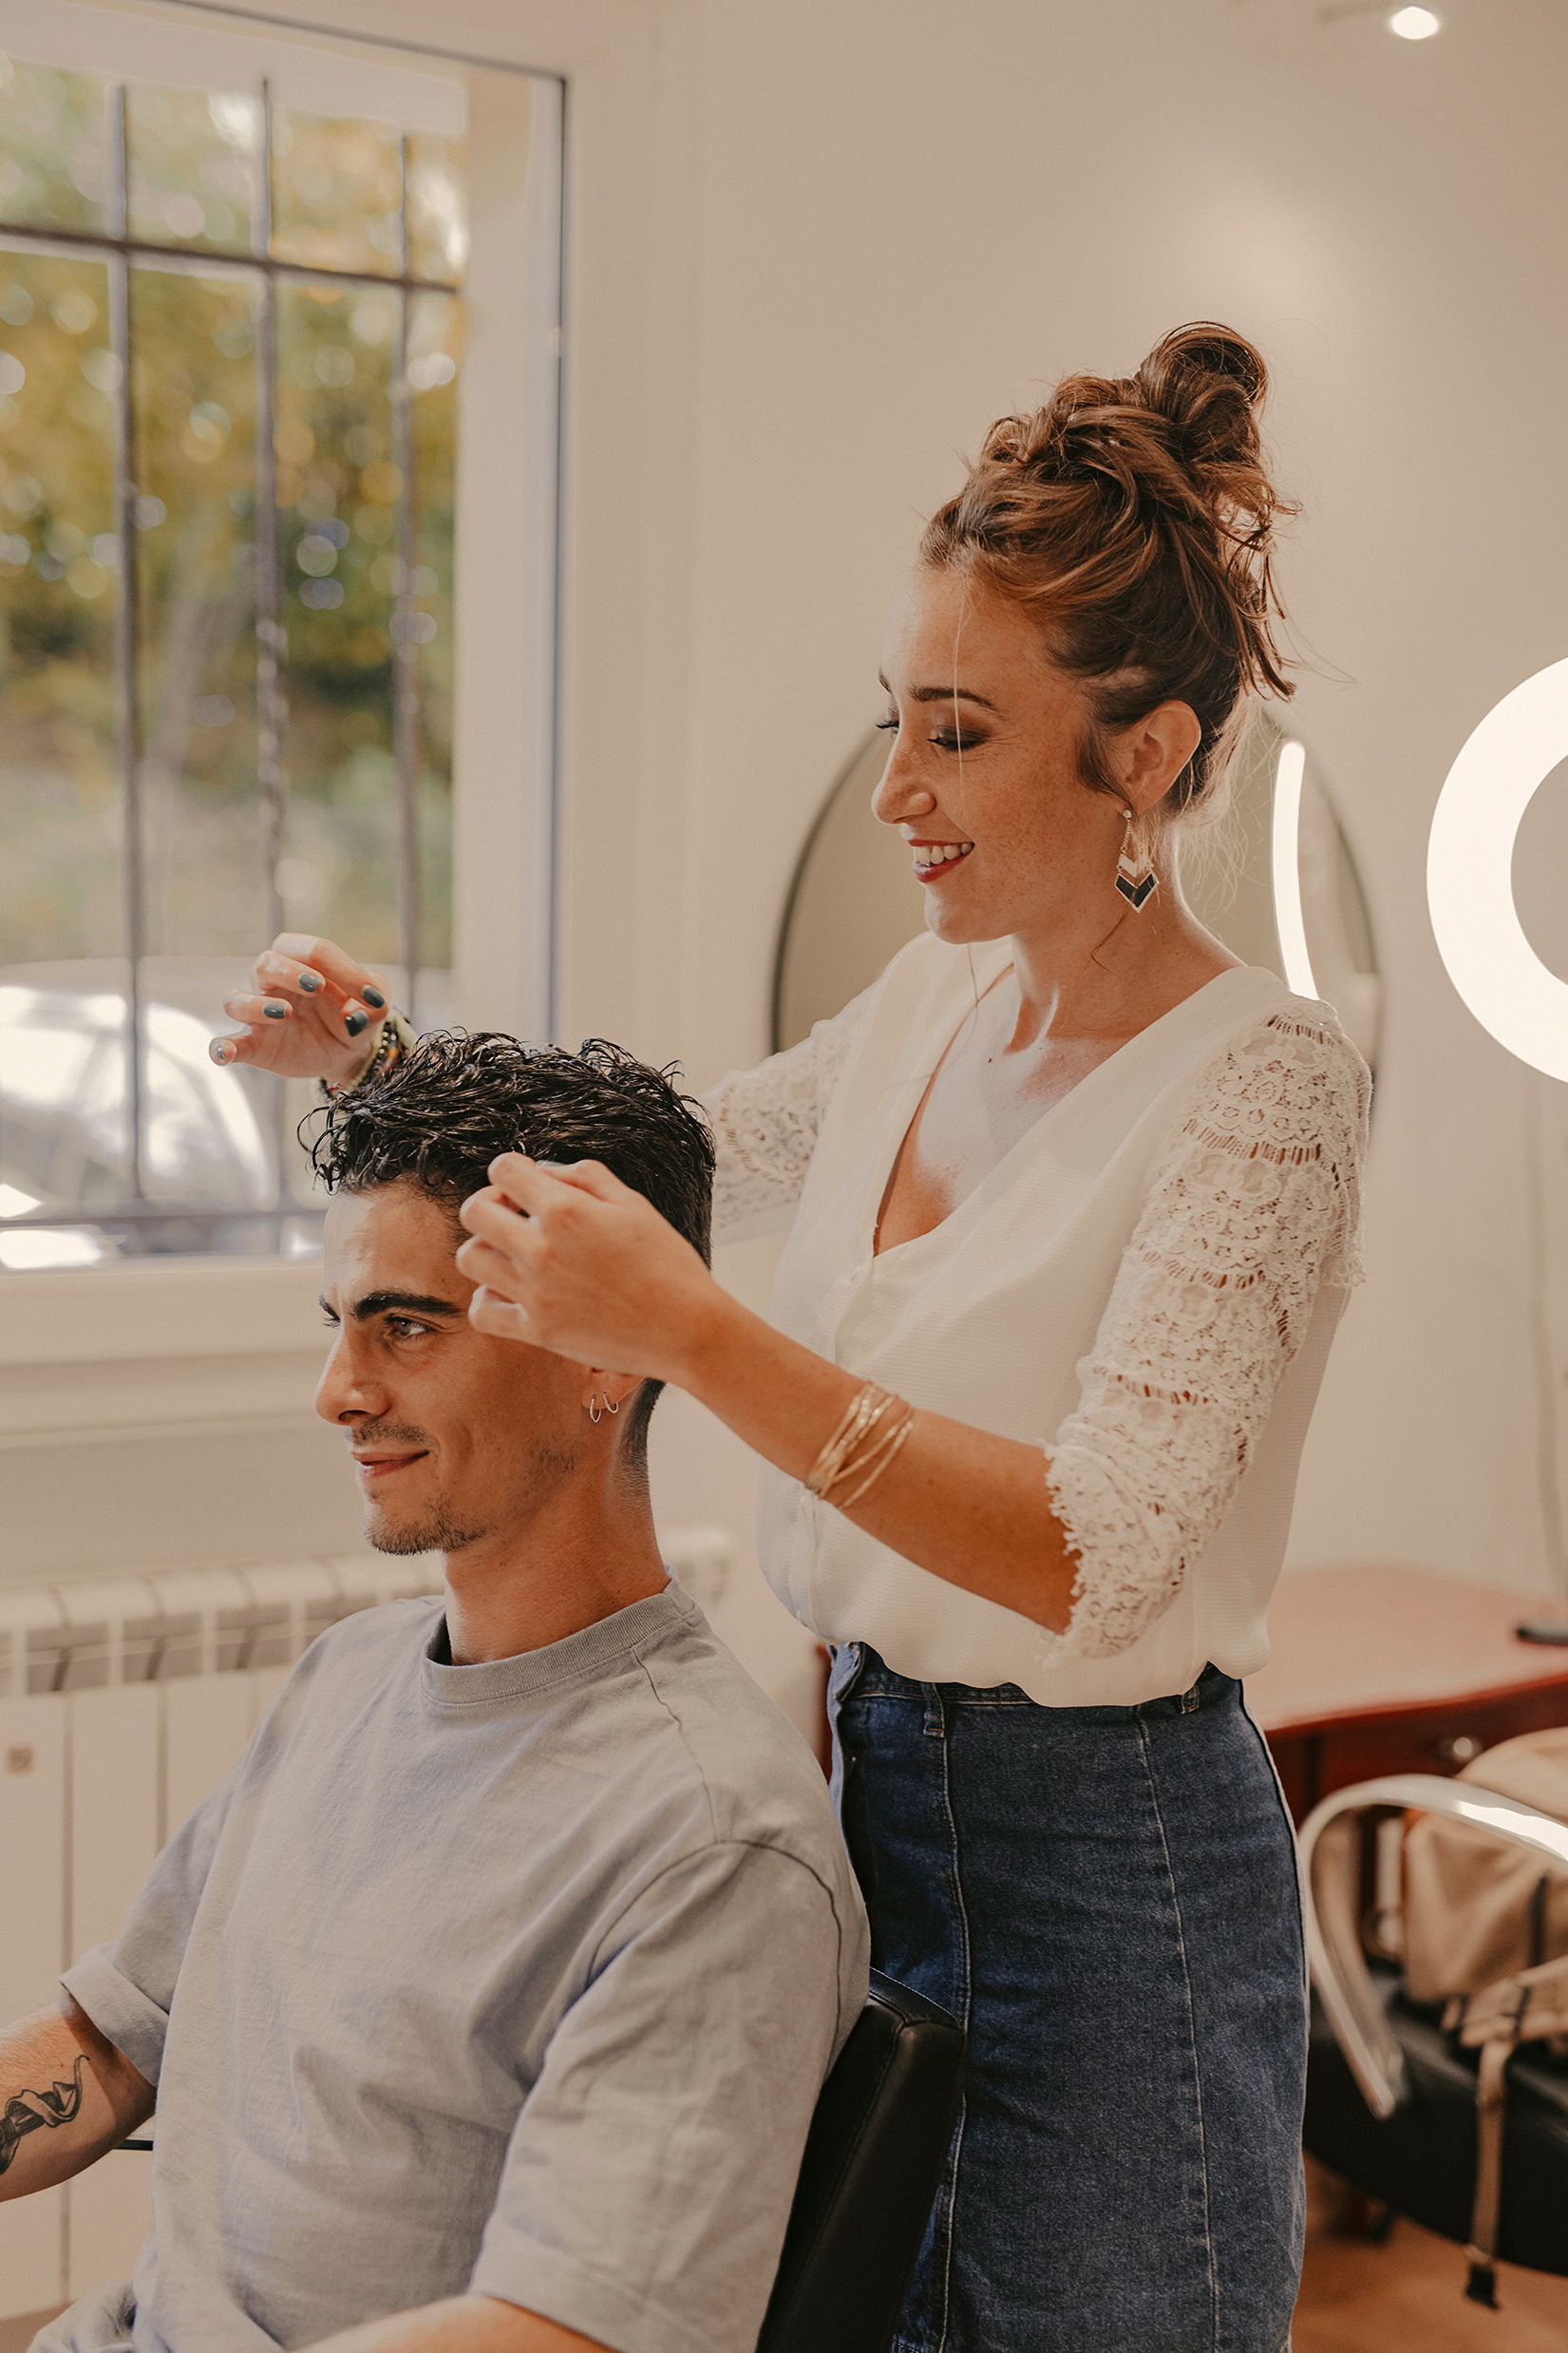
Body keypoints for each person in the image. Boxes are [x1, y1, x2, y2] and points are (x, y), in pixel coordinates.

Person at [212, 322, 1370, 2352]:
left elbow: (1104, 1558)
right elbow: (669, 1170)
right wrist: (380, 1060)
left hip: (1116, 1880)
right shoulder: (931, 1009)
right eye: (892, 727)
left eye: (958, 735)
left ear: (1149, 756)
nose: (900, 796)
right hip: (865, 1795)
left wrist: (699, 1341)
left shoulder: (1258, 1086)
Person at [0, 1033, 868, 2353]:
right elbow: (119, 2038)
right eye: (343, 1324)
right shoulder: (345, 1678)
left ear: (605, 1360)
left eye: (408, 1325)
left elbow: (565, 2331)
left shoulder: (712, 1844)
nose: (340, 1392)